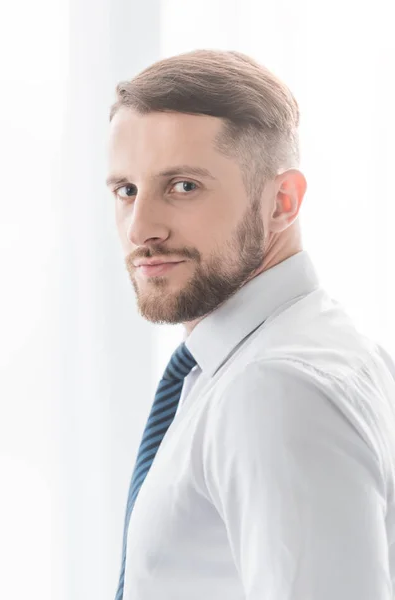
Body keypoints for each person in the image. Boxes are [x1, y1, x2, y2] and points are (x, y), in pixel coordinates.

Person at [106, 49, 395, 600]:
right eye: (126, 190)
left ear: (282, 202)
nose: (141, 227)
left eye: (183, 186)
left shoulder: (276, 386)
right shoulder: (299, 351)